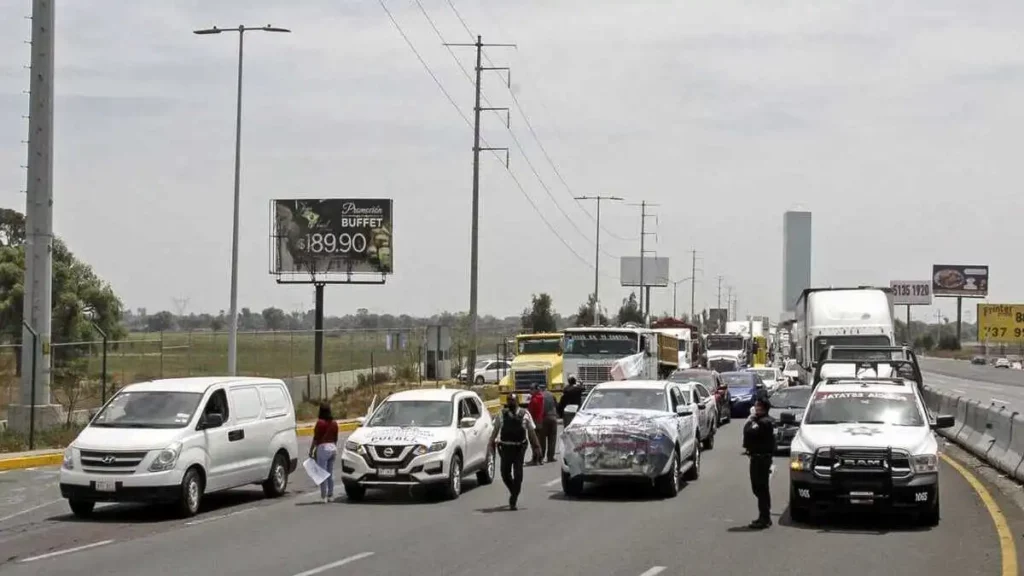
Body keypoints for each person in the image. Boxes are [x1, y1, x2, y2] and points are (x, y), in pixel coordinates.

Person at [489, 393, 541, 510]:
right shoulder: (501, 414)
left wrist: (537, 447)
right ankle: (514, 491)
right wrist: (490, 444)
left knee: (518, 475)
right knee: (504, 473)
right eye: (508, 400)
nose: (510, 402)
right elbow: (495, 430)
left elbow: (531, 432)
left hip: (519, 449)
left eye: (512, 400)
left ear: (517, 401)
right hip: (505, 448)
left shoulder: (525, 414)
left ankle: (513, 499)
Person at [742, 397, 776, 529]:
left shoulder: (764, 422)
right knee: (758, 488)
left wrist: (751, 420)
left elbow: (749, 431)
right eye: (756, 406)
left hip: (761, 459)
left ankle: (765, 518)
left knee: (760, 488)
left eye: (759, 407)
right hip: (757, 457)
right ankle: (764, 516)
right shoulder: (759, 421)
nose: (756, 409)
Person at [310, 402, 339, 503]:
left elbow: (316, 438)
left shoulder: (320, 423)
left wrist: (311, 450)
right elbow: (336, 438)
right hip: (333, 448)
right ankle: (331, 495)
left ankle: (323, 496)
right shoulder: (334, 423)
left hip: (323, 448)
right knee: (330, 473)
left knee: (322, 474)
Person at [539, 386, 560, 463]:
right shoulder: (552, 395)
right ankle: (550, 457)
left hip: (544, 418)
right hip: (553, 418)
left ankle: (541, 456)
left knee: (542, 439)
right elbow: (557, 405)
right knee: (552, 439)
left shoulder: (540, 395)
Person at [527, 385, 545, 465]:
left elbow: (531, 411)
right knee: (538, 441)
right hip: (540, 421)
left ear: (535, 390)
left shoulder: (534, 400)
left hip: (534, 422)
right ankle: (540, 459)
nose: (530, 391)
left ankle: (535, 459)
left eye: (531, 389)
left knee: (534, 442)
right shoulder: (541, 397)